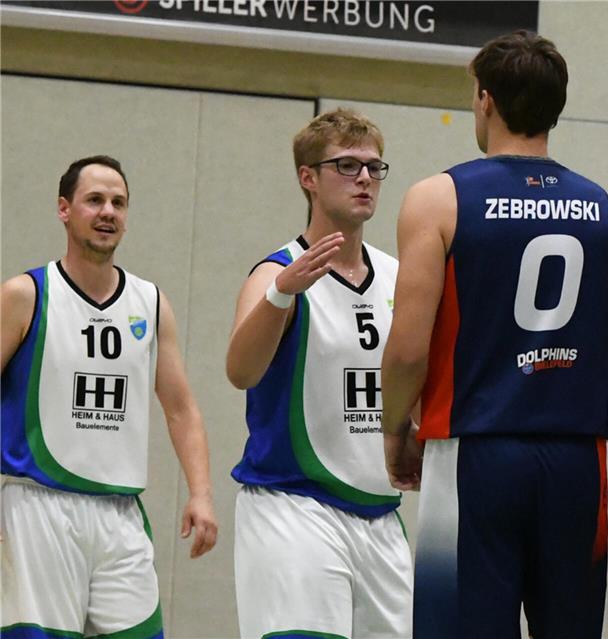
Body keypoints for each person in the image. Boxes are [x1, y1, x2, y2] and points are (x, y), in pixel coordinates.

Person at [380, 30, 608, 639]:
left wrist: (395, 430)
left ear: (485, 100)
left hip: (478, 449)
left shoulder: (438, 198)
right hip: (578, 459)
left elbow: (410, 346)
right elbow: (598, 328)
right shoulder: (607, 211)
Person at [1, 155, 218, 639]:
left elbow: (181, 408)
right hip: (39, 507)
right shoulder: (25, 294)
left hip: (119, 512)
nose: (108, 212)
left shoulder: (150, 302)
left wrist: (200, 494)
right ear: (64, 209)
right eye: (94, 200)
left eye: (118, 202)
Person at [226, 108, 412, 639]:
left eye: (374, 168)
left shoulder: (400, 276)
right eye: (347, 166)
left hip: (380, 513)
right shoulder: (275, 272)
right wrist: (281, 294)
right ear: (308, 177)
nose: (364, 179)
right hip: (294, 506)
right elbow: (240, 371)